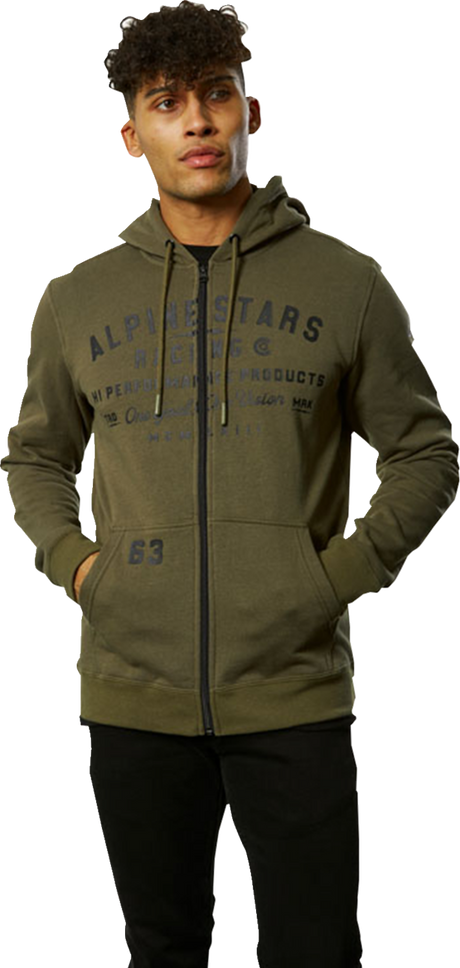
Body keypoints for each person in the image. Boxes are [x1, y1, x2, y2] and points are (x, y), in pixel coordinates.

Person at [1, 2, 458, 966]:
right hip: (132, 690)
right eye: (167, 102)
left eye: (216, 93)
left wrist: (333, 579)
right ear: (132, 135)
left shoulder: (348, 284)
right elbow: (35, 456)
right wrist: (82, 569)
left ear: (253, 111)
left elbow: (423, 452)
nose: (198, 120)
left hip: (293, 688)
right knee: (160, 948)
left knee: (314, 949)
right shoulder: (76, 299)